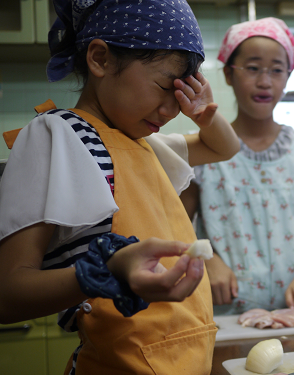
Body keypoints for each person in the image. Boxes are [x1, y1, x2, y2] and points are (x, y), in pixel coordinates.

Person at [0, 0, 239, 374]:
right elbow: (8, 293)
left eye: (181, 94)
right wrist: (105, 273)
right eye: (164, 86)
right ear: (100, 59)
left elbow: (225, 147)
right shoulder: (58, 136)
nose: (171, 109)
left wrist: (204, 112)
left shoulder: (147, 145)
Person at [181, 17, 294, 316]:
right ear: (229, 74)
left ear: (287, 77)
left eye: (277, 70)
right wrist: (209, 261)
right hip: (229, 312)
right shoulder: (205, 149)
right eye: (252, 68)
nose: (265, 81)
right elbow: (177, 225)